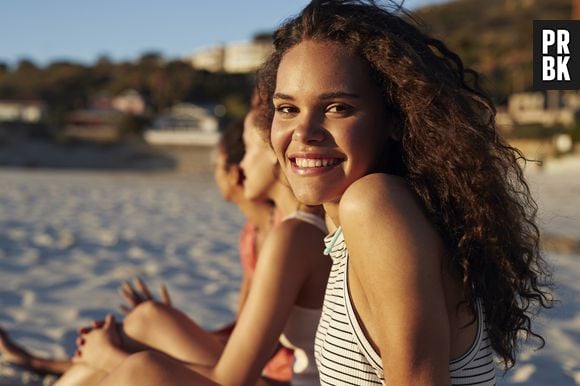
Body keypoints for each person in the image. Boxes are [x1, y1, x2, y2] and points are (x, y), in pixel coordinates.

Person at [252, 1, 553, 385]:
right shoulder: (387, 214)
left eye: (337, 107)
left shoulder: (375, 206)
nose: (304, 132)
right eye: (288, 108)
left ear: (394, 119)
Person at [0, 119, 292, 383]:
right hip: (251, 367)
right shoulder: (254, 233)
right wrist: (178, 325)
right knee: (148, 319)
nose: (237, 168)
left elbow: (245, 362)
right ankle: (50, 364)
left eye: (217, 165)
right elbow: (244, 329)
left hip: (266, 377)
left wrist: (124, 350)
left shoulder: (288, 238)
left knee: (142, 335)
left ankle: (46, 362)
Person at [54, 108, 331, 386]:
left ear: (275, 148)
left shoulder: (294, 234)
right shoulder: (292, 228)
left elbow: (232, 380)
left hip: (274, 377)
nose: (242, 166)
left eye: (247, 149)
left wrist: (110, 357)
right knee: (147, 319)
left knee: (141, 365)